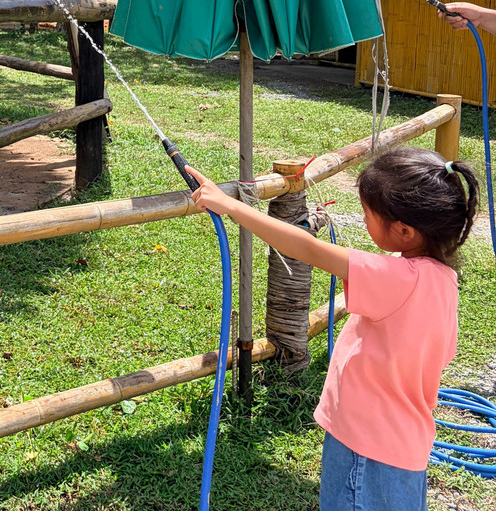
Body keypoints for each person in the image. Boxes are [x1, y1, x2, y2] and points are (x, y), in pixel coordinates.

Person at [185, 148, 479, 511]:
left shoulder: (397, 279)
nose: (363, 220)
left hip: (365, 448)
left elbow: (307, 248)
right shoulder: (443, 279)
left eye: (368, 214)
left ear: (404, 230)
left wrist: (231, 206)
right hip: (405, 449)